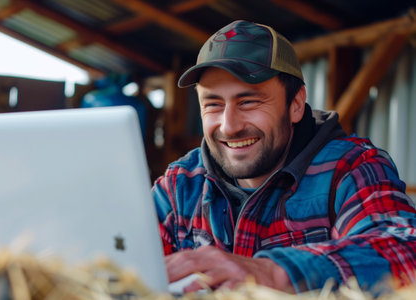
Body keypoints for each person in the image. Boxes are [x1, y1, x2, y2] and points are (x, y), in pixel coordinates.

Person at [152, 20, 416, 293]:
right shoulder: (180, 185)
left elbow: (405, 248)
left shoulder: (350, 168)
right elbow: (120, 261)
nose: (229, 126)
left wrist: (274, 273)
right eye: (213, 104)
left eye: (248, 102)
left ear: (296, 105)